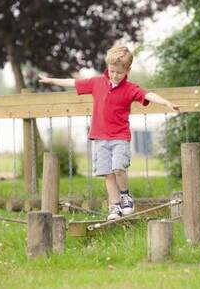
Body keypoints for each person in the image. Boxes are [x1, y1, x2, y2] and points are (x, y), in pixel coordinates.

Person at [39, 45, 181, 220]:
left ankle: (125, 196)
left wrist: (166, 103)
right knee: (108, 174)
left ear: (127, 70)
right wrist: (51, 80)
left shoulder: (130, 88)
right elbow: (72, 83)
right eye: (112, 71)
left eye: (119, 73)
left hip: (120, 137)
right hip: (100, 138)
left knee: (118, 168)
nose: (114, 75)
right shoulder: (97, 83)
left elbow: (148, 94)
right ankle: (114, 207)